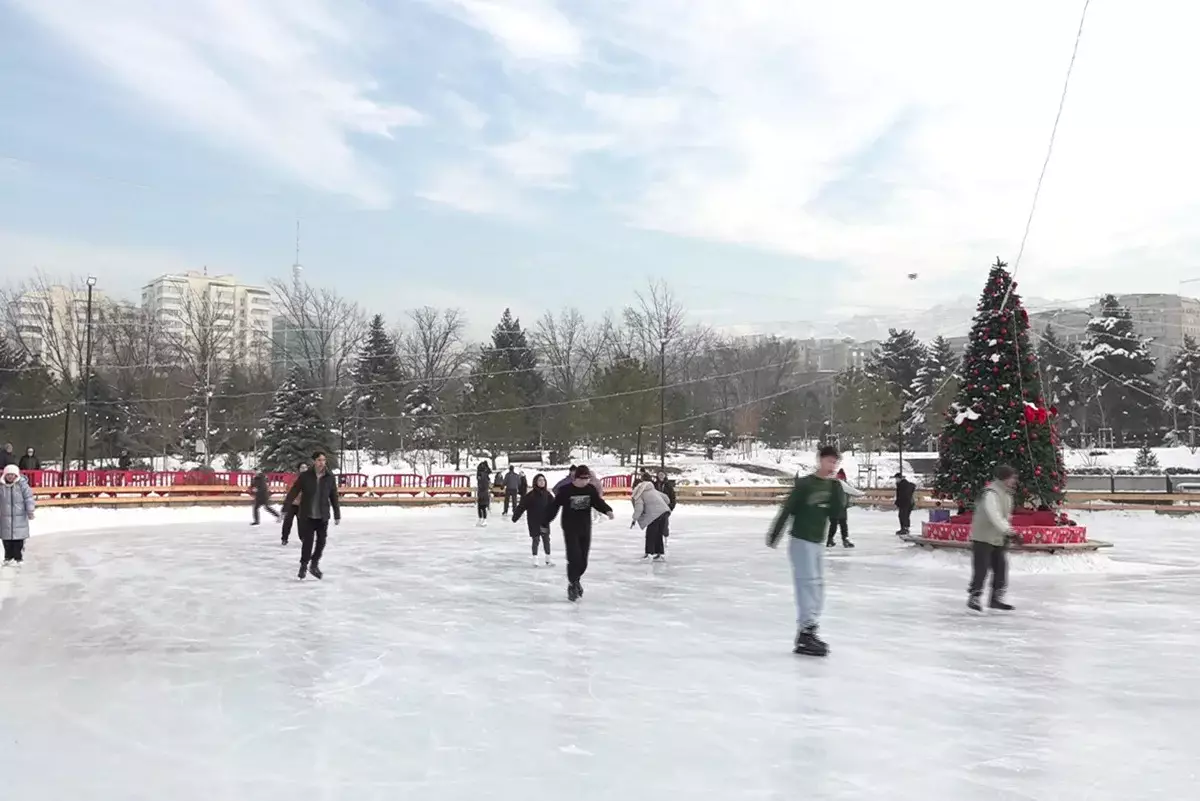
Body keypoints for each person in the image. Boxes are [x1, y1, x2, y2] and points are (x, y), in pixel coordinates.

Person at [767, 446, 846, 657]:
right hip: (801, 540)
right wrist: (775, 533)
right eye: (829, 461)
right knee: (807, 584)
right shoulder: (805, 484)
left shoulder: (832, 486)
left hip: (817, 541)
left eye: (835, 462)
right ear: (820, 460)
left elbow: (837, 514)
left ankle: (810, 629)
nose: (832, 466)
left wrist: (839, 493)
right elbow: (788, 509)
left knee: (817, 585)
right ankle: (805, 632)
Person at [545, 465, 614, 601]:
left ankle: (576, 580)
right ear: (576, 478)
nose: (586, 481)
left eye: (588, 478)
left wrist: (607, 510)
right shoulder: (565, 490)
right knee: (574, 557)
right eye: (583, 479)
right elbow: (554, 506)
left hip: (585, 527)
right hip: (570, 528)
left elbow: (597, 502)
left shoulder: (590, 489)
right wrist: (545, 521)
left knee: (583, 561)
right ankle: (572, 584)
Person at [282, 451, 340, 580]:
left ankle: (314, 564)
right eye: (319, 460)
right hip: (308, 514)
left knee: (321, 542)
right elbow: (294, 491)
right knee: (307, 542)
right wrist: (286, 507)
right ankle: (303, 565)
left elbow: (334, 496)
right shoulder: (305, 476)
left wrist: (337, 513)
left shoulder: (329, 477)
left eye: (323, 460)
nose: (321, 463)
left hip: (322, 515)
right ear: (314, 461)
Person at [968, 464, 1018, 613]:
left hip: (997, 537)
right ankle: (974, 597)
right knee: (981, 568)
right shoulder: (991, 493)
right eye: (1012, 477)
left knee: (1001, 568)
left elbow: (1005, 517)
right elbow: (994, 515)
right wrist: (1009, 531)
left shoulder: (1007, 494)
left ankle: (996, 598)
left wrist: (1008, 532)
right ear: (1004, 478)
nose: (1014, 480)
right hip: (983, 536)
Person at [513, 473, 555, 566]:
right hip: (534, 522)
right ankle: (535, 558)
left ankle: (548, 559)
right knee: (536, 539)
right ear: (536, 482)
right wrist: (515, 517)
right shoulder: (530, 495)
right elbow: (521, 506)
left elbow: (554, 505)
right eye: (540, 480)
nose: (542, 482)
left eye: (543, 480)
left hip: (544, 522)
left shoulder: (547, 494)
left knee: (546, 539)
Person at [1, 464, 35, 566]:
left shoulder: (22, 485)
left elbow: (28, 498)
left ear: (16, 475)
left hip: (19, 517)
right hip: (5, 518)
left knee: (18, 540)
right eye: (8, 475)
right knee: (6, 539)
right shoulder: (1, 486)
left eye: (12, 475)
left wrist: (30, 510)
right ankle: (8, 557)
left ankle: (18, 557)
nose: (10, 477)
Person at [631, 477, 672, 561]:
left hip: (655, 515)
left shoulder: (639, 494)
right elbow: (667, 499)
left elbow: (639, 508)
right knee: (658, 534)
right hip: (664, 513)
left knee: (650, 534)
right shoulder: (652, 490)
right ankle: (659, 553)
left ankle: (649, 553)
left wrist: (634, 519)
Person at [826, 467, 862, 548]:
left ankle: (830, 540)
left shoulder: (832, 484)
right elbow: (851, 493)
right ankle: (844, 540)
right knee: (841, 525)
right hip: (838, 508)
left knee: (836, 524)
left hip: (836, 508)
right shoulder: (840, 484)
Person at [280, 461, 308, 545]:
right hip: (292, 504)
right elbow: (289, 489)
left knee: (302, 523)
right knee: (287, 522)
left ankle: (303, 538)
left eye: (305, 467)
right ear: (299, 469)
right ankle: (284, 538)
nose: (304, 469)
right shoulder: (294, 478)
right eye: (302, 467)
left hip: (303, 505)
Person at [653, 470, 677, 538]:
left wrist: (671, 506)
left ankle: (665, 536)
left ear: (665, 476)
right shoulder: (654, 485)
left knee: (664, 523)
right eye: (659, 475)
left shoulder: (668, 485)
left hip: (666, 507)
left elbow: (672, 497)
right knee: (656, 523)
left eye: (662, 475)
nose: (661, 476)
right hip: (656, 508)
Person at [894, 472, 916, 537]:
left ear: (900, 478)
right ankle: (903, 528)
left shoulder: (904, 485)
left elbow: (904, 495)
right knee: (902, 515)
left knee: (904, 515)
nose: (896, 480)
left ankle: (905, 529)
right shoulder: (901, 484)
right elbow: (899, 495)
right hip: (905, 503)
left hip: (906, 503)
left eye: (897, 478)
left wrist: (898, 502)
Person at [475, 461, 492, 526]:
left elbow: (485, 485)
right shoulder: (483, 475)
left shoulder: (483, 476)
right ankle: (481, 519)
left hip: (483, 493)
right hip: (482, 493)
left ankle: (484, 520)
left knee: (482, 507)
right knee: (480, 507)